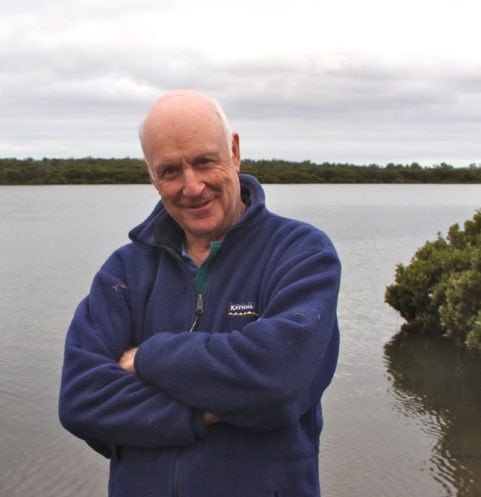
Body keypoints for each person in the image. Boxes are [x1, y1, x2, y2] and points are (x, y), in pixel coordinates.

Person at [58, 90, 341, 497]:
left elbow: (279, 381)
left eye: (205, 162)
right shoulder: (124, 271)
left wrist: (148, 358)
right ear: (150, 173)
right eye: (170, 170)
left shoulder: (301, 253)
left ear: (235, 151)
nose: (192, 187)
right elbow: (81, 401)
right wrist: (220, 405)